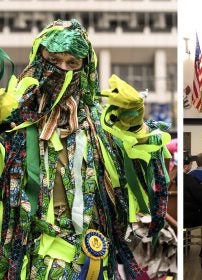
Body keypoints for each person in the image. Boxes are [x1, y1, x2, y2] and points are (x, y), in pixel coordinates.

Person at [0, 19, 172, 279]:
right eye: (54, 60)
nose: (63, 70)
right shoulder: (17, 124)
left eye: (72, 63)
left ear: (85, 67)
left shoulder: (98, 127)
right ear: (38, 60)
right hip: (36, 256)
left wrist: (135, 125)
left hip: (92, 253)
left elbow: (138, 177)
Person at [183, 152, 202, 228]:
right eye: (191, 163)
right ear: (185, 166)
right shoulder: (191, 180)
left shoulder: (173, 179)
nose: (191, 165)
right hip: (190, 218)